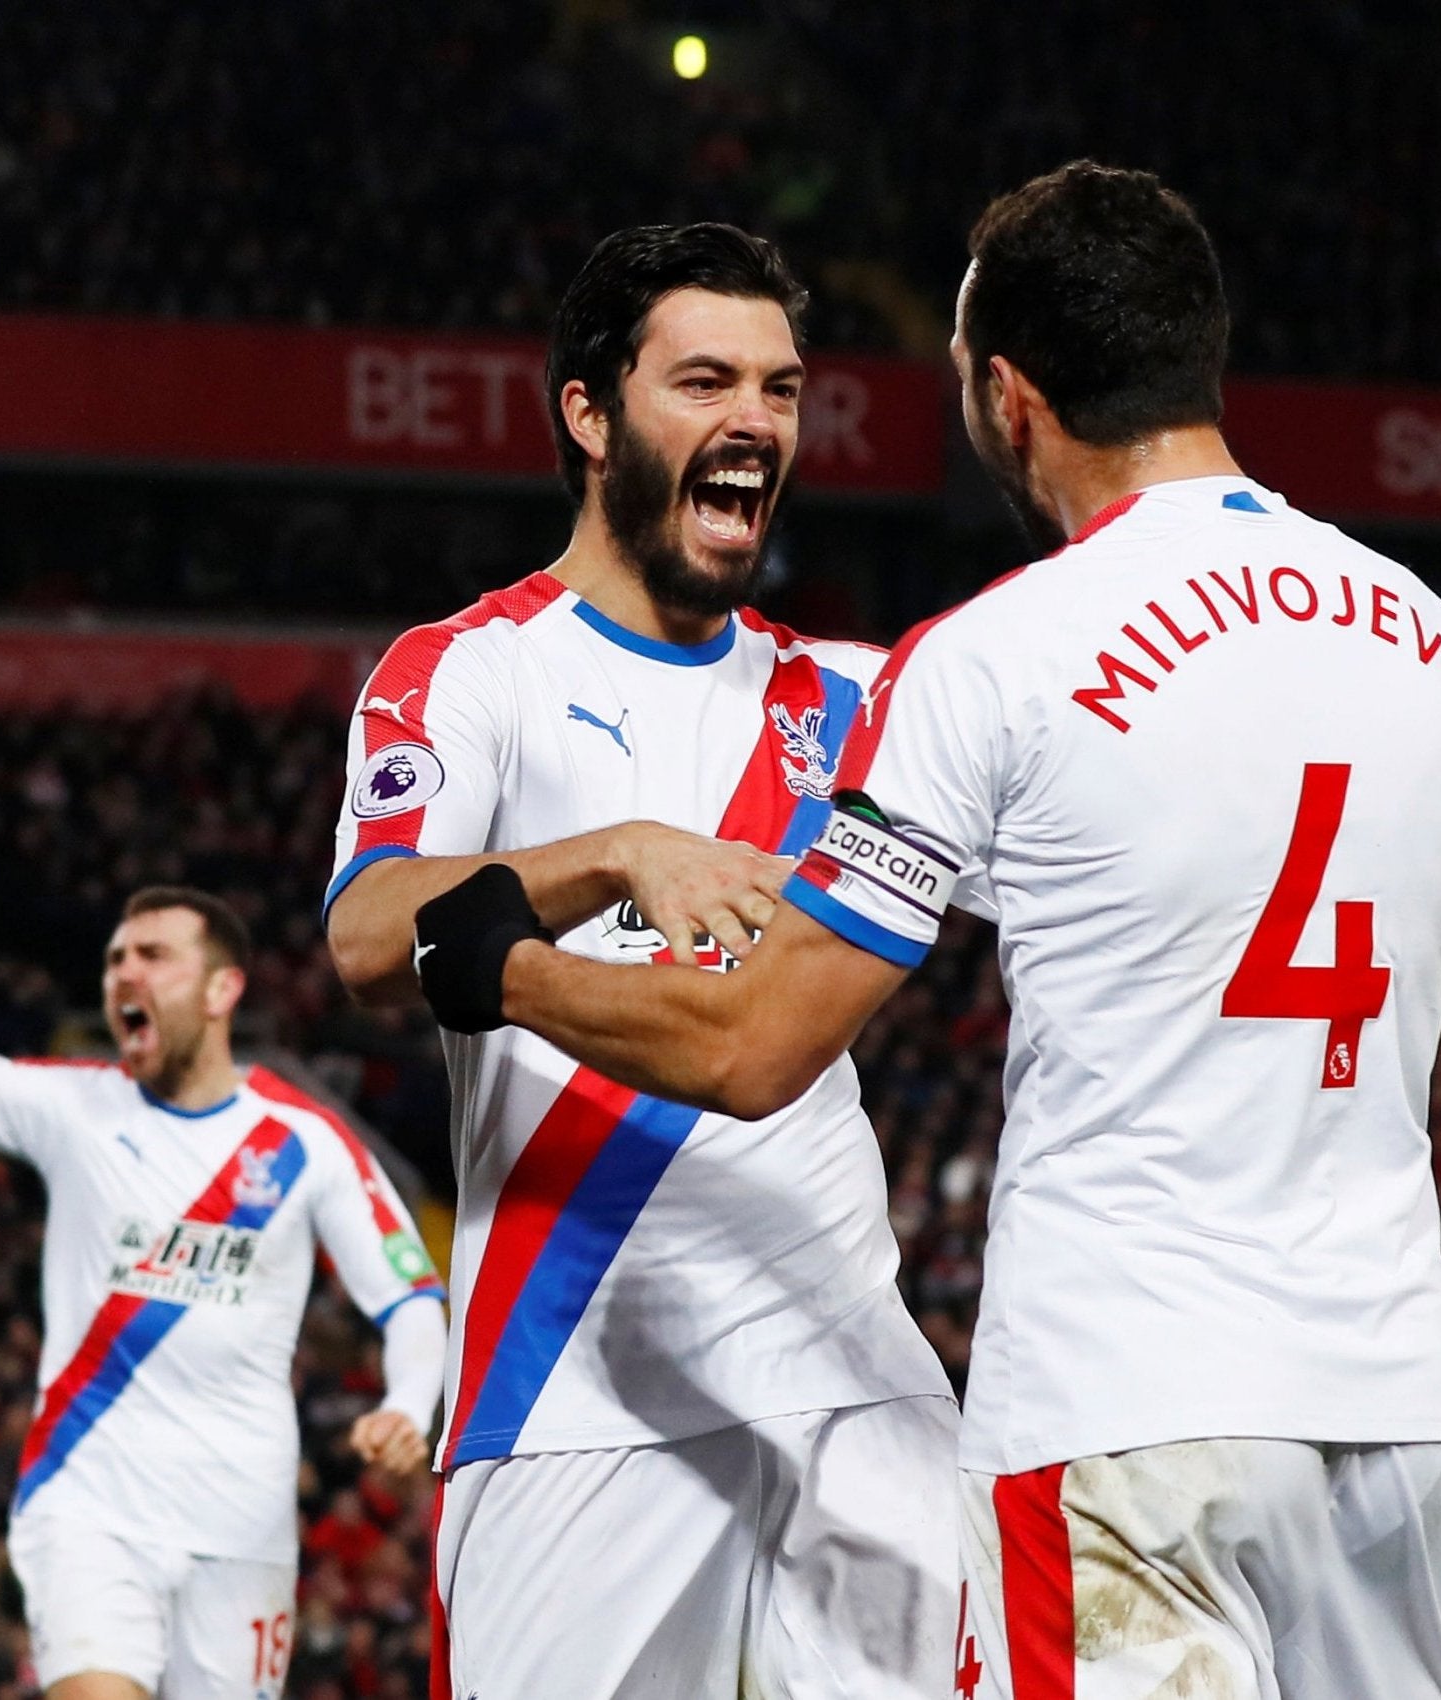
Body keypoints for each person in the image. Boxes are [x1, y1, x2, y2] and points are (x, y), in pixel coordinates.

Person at [407, 162, 1441, 1699]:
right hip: (1397, 1412)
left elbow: (759, 1042)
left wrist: (507, 968)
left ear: (1008, 395)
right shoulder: (1422, 631)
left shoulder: (994, 658)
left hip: (1126, 1414)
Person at [321, 223, 957, 1700]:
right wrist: (610, 853)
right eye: (707, 381)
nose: (757, 421)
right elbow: (369, 934)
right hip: (576, 1384)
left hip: (849, 1379)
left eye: (783, 389)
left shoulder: (859, 701)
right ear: (590, 416)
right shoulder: (472, 669)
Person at [0, 849, 446, 1700]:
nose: (124, 972)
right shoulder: (73, 1106)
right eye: (115, 959)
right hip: (89, 1504)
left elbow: (413, 1298)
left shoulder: (303, 1140)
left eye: (153, 956)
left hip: (242, 1526)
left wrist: (405, 1405)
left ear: (221, 991)